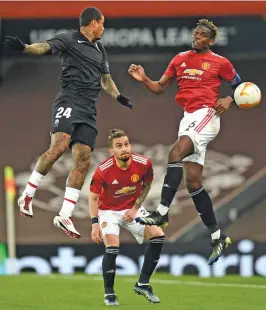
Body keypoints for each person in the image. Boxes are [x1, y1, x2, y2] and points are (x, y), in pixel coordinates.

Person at [4, 7, 132, 239]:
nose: (104, 28)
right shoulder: (68, 39)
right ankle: (27, 195)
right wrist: (24, 48)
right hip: (69, 99)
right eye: (102, 23)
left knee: (83, 160)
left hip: (88, 110)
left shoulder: (99, 49)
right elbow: (44, 47)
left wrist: (118, 96)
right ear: (93, 23)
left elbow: (106, 79)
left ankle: (65, 214)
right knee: (59, 146)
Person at [128, 19, 242, 265]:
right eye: (196, 33)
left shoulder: (220, 62)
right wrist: (144, 78)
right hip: (188, 117)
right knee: (193, 183)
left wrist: (230, 99)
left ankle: (161, 213)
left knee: (175, 152)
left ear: (211, 41)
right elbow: (159, 88)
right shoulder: (179, 59)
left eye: (202, 35)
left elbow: (242, 86)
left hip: (206, 115)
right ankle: (217, 237)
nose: (197, 37)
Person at [89, 129, 165, 306]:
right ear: (111, 151)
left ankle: (143, 284)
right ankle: (109, 294)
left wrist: (135, 208)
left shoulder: (144, 163)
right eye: (119, 146)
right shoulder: (103, 171)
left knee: (158, 235)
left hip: (132, 208)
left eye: (126, 144)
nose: (124, 149)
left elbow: (147, 185)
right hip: (108, 211)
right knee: (113, 246)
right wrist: (94, 225)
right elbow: (93, 198)